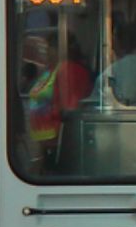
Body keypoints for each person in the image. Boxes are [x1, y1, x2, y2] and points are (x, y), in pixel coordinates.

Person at [21, 33, 91, 166]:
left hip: (55, 139)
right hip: (42, 139)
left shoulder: (69, 70)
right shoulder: (50, 70)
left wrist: (59, 137)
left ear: (60, 49)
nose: (46, 53)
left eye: (49, 48)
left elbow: (69, 107)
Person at [101, 21, 136, 105]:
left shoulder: (131, 63)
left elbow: (126, 98)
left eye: (114, 38)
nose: (112, 44)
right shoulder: (126, 63)